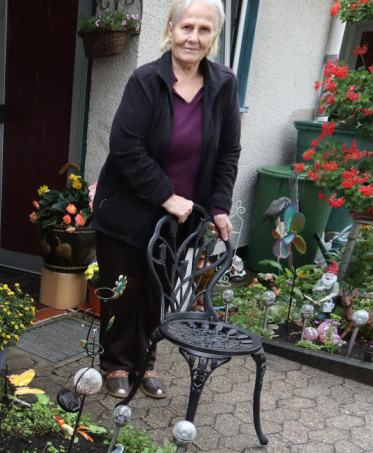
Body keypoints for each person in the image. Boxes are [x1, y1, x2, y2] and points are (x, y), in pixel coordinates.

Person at [91, 0, 241, 398]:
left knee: (159, 291)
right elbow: (126, 147)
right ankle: (116, 363)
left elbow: (228, 151)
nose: (193, 37)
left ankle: (146, 361)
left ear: (213, 37)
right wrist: (166, 196)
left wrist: (219, 207)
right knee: (123, 290)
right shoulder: (146, 80)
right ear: (171, 30)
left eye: (203, 29)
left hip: (181, 220)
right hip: (128, 210)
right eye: (186, 27)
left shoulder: (223, 84)